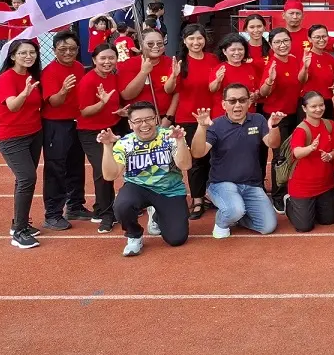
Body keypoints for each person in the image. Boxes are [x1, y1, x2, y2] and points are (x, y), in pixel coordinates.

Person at [189, 83, 283, 238]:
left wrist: (275, 126)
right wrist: (201, 127)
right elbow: (198, 153)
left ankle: (237, 218)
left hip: (252, 185)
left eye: (242, 100)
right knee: (234, 210)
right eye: (232, 101)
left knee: (268, 226)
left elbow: (273, 144)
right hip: (222, 184)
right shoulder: (216, 125)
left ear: (249, 102)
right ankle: (222, 221)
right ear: (224, 104)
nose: (237, 105)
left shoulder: (258, 120)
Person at [99, 101, 192, 256]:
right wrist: (107, 146)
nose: (144, 124)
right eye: (138, 121)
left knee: (177, 239)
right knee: (122, 205)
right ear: (130, 124)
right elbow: (110, 175)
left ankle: (156, 215)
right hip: (138, 187)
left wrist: (180, 141)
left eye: (149, 119)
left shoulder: (170, 136)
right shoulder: (124, 143)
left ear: (156, 119)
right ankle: (134, 236)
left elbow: (185, 165)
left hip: (169, 190)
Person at [0, 39, 44, 249]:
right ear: (13, 56)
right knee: (27, 179)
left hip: (34, 134)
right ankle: (19, 232)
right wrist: (24, 93)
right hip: (12, 137)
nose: (28, 56)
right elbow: (13, 107)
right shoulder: (6, 79)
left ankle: (19, 222)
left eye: (32, 52)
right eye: (23, 53)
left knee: (23, 181)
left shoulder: (33, 77)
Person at [164, 24, 215, 220]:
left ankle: (212, 194)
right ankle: (197, 199)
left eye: (199, 38)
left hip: (212, 116)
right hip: (189, 118)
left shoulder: (212, 59)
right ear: (184, 41)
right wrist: (174, 75)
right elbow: (169, 90)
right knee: (196, 160)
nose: (196, 42)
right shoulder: (179, 62)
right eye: (191, 38)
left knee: (213, 158)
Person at [39, 30, 88, 230]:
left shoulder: (78, 66)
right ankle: (52, 214)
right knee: (56, 169)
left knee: (76, 165)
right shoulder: (50, 71)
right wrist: (63, 90)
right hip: (56, 125)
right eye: (63, 49)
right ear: (54, 50)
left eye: (72, 49)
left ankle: (76, 205)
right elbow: (55, 102)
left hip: (77, 122)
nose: (68, 52)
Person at [259, 27, 309, 213]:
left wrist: (304, 67)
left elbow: (300, 82)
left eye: (285, 41)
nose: (282, 45)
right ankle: (278, 195)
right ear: (271, 45)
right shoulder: (271, 64)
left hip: (294, 112)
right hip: (276, 116)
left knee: (294, 152)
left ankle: (292, 188)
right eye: (278, 42)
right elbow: (264, 93)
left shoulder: (294, 60)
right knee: (280, 156)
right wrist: (270, 80)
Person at [77, 42, 125, 232]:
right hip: (91, 132)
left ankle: (101, 208)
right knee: (104, 171)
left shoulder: (113, 77)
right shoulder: (88, 80)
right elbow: (85, 112)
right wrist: (102, 104)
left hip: (110, 128)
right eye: (103, 58)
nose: (107, 62)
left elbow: (112, 105)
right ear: (95, 60)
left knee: (111, 168)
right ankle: (107, 214)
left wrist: (117, 111)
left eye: (111, 58)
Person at [283, 92, 334, 232]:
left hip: (325, 183)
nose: (319, 109)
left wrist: (330, 155)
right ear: (304, 108)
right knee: (304, 226)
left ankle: (311, 206)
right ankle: (290, 202)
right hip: (303, 185)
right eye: (313, 106)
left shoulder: (329, 125)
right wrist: (311, 148)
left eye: (321, 105)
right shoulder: (301, 130)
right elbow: (297, 153)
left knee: (328, 220)